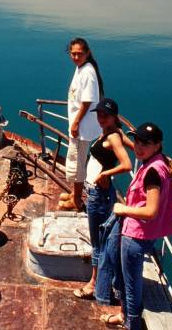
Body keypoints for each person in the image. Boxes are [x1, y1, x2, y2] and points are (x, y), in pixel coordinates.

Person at [100, 122, 172, 329]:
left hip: (136, 236)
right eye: (137, 140)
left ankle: (130, 323)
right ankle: (125, 316)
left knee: (130, 284)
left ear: (158, 145)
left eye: (146, 143)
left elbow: (150, 212)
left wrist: (122, 209)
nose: (138, 146)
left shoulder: (152, 171)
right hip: (145, 235)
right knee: (127, 280)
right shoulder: (161, 163)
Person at [72, 98, 132, 300]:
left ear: (114, 117)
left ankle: (93, 285)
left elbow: (127, 164)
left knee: (98, 243)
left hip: (99, 194)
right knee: (101, 240)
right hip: (97, 192)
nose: (100, 118)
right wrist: (160, 157)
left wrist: (106, 174)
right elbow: (135, 148)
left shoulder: (113, 137)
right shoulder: (114, 133)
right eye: (98, 115)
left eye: (105, 116)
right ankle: (103, 285)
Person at [60, 37, 104, 212]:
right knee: (75, 161)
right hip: (81, 125)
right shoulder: (82, 68)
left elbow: (87, 101)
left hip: (82, 128)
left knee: (77, 164)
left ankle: (76, 200)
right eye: (73, 53)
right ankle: (74, 194)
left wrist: (76, 122)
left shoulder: (87, 72)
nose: (76, 56)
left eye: (80, 53)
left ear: (88, 53)